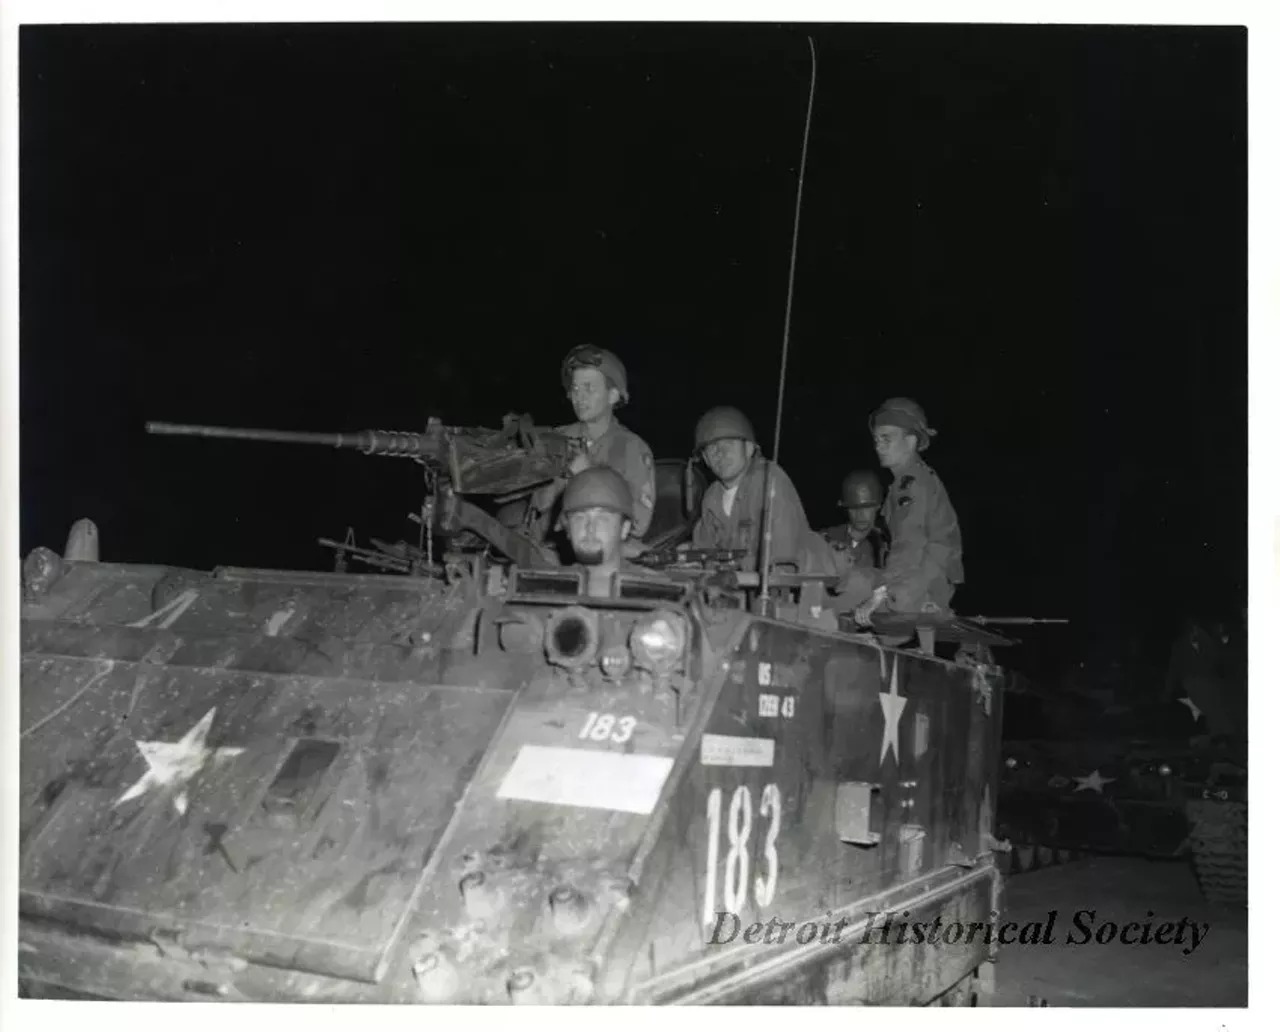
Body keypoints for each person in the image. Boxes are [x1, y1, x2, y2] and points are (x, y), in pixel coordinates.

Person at [853, 397, 964, 625]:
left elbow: (909, 543)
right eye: (876, 439)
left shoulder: (911, 484)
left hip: (928, 579)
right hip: (926, 576)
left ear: (911, 441)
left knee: (858, 595)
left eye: (887, 438)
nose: (878, 446)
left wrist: (881, 595)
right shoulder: (909, 481)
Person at [688, 406, 827, 573]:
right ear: (705, 459)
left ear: (749, 448)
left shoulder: (769, 479)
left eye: (729, 443)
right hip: (739, 586)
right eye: (712, 447)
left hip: (799, 587)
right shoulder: (712, 497)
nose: (720, 453)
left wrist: (729, 566)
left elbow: (784, 562)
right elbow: (702, 552)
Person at [553, 345, 656, 542]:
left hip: (602, 552)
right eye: (575, 388)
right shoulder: (556, 439)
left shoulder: (632, 449)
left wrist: (588, 475)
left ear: (613, 395)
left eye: (589, 388)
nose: (579, 397)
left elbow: (640, 524)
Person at [560, 466, 650, 598]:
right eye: (580, 517)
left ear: (624, 529)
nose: (590, 528)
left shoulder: (652, 589)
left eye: (602, 518)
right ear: (568, 529)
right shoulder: (549, 587)